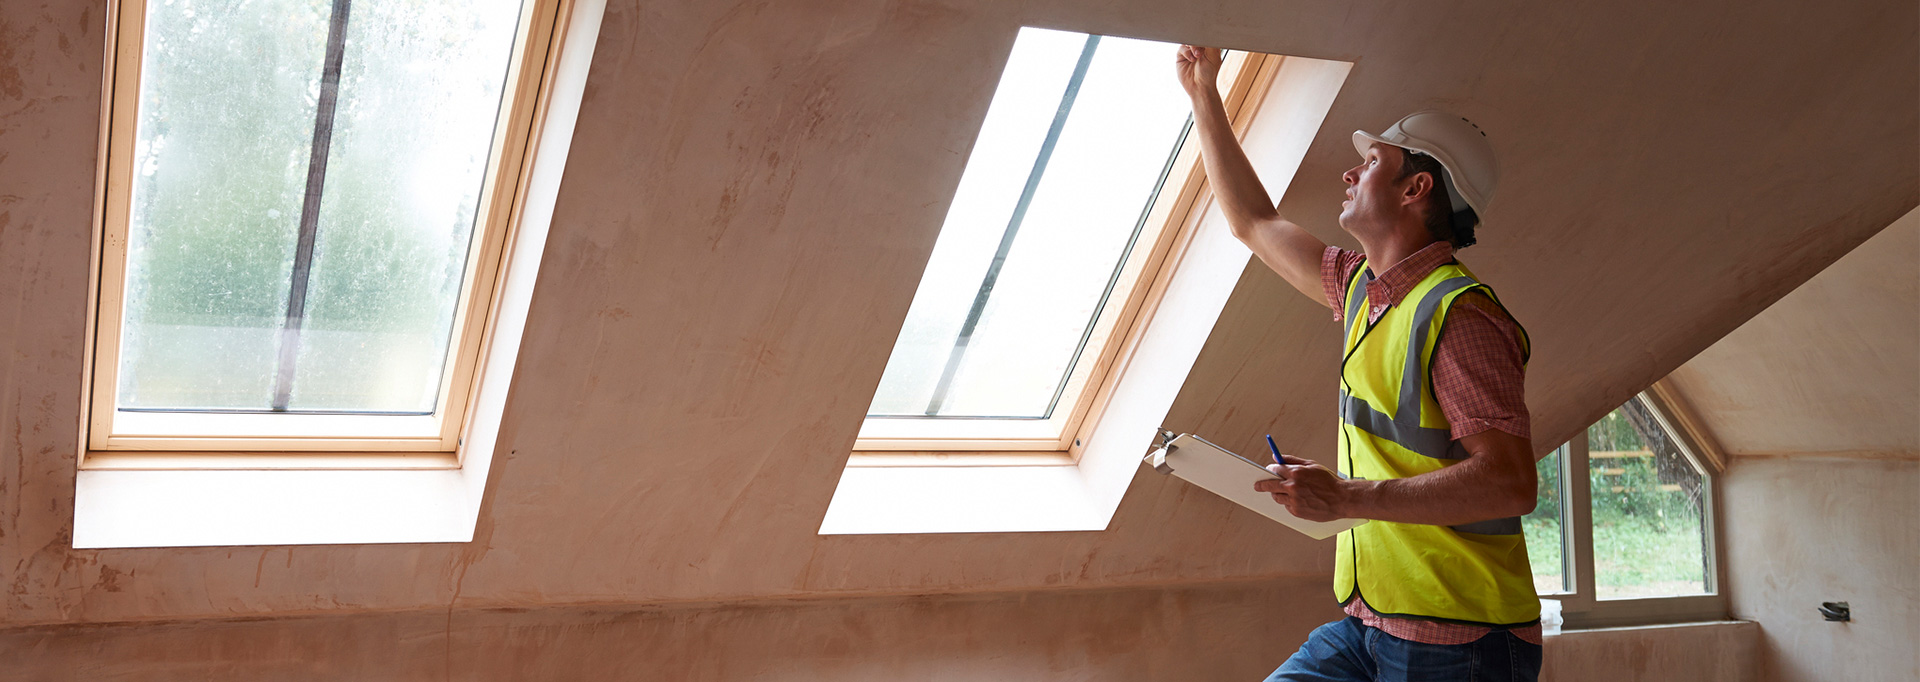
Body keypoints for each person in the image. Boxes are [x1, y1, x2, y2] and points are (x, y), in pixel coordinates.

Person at [1175, 46, 1545, 681]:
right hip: (1371, 624)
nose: (1349, 174)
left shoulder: (1460, 316)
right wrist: (1203, 92)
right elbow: (1254, 222)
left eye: (1371, 163)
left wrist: (1346, 496)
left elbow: (1510, 483)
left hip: (1465, 643)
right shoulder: (1359, 291)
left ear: (1415, 188)